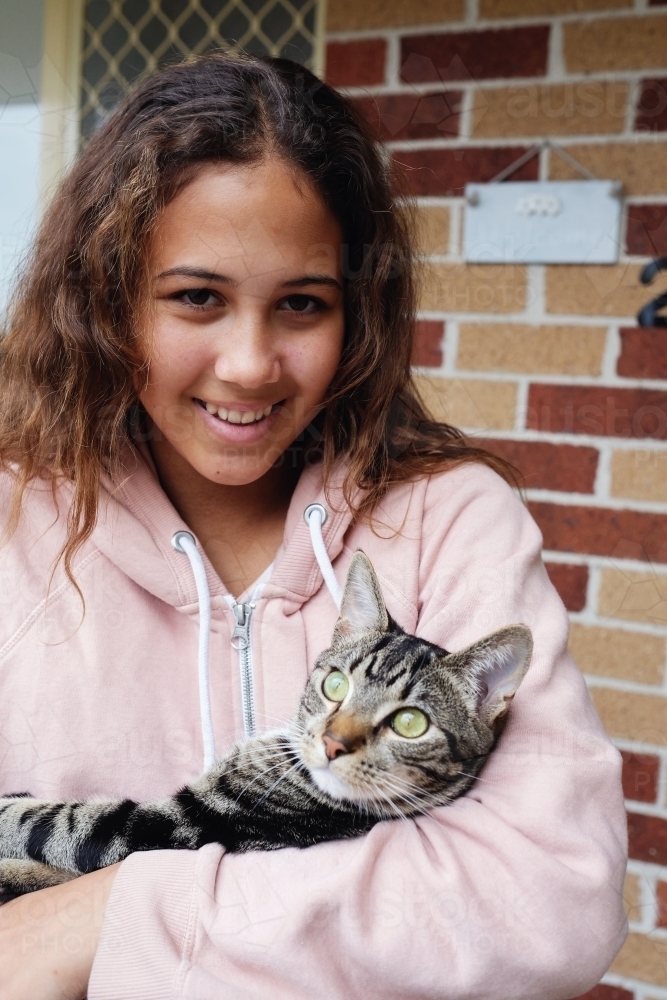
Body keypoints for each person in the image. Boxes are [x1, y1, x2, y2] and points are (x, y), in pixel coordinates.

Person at [0, 54, 626, 1000]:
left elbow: (548, 898)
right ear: (105, 300)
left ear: (357, 312)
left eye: (301, 303)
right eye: (196, 297)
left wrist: (100, 916)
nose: (250, 365)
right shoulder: (14, 515)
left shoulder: (448, 517)